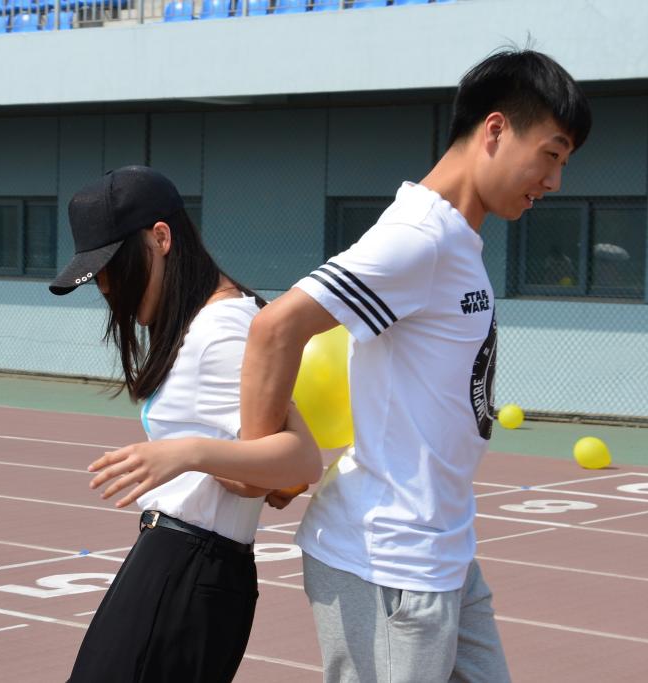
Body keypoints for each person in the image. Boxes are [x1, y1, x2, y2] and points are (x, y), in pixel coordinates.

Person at [237, 49, 592, 682]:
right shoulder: (418, 237)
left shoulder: (455, 239)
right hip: (389, 559)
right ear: (495, 130)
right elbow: (276, 326)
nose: (555, 180)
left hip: (444, 549)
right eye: (551, 154)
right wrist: (263, 465)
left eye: (563, 162)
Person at [48, 165, 322, 683]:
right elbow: (268, 465)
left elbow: (304, 461)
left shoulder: (221, 328)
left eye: (114, 269)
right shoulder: (203, 321)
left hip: (188, 570)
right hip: (187, 568)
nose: (109, 290)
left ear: (161, 238)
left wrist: (186, 453)